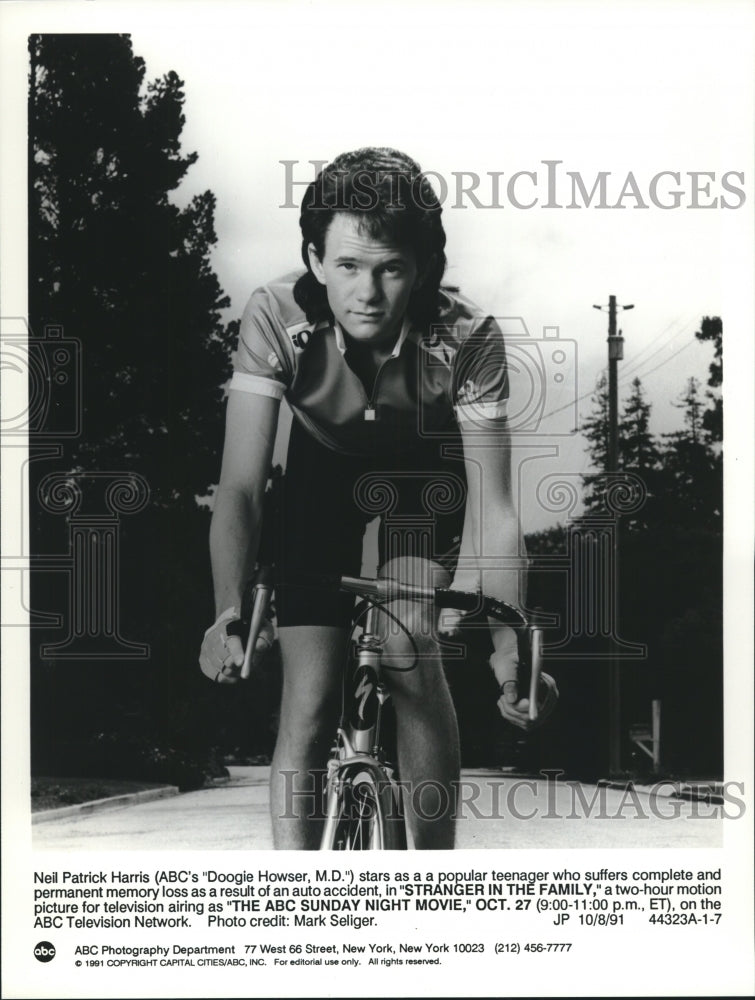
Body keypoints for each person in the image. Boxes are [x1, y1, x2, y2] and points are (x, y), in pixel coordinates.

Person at [200, 148, 556, 849]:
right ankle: (300, 899)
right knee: (305, 702)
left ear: (423, 267)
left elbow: (495, 508)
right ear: (312, 257)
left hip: (418, 474)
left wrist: (508, 646)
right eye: (347, 266)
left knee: (408, 654)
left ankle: (427, 880)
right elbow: (240, 487)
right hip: (318, 471)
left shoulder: (467, 336)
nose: (367, 292)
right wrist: (228, 611)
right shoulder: (274, 316)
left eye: (391, 268)